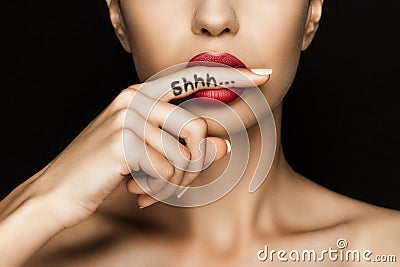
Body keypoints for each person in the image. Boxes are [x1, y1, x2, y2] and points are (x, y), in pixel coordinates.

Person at [1, 0, 399, 266]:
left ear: (311, 13)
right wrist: (41, 205)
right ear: (118, 17)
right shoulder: (32, 244)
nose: (213, 18)